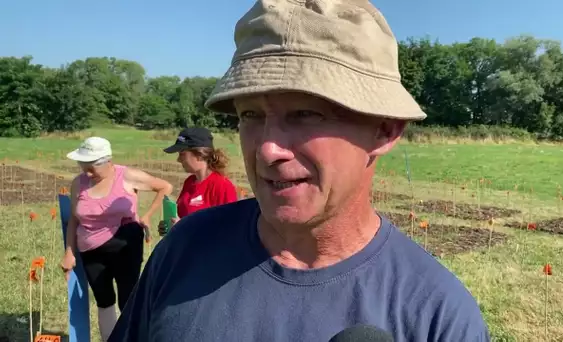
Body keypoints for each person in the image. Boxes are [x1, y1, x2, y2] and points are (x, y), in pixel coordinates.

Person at [109, 1, 491, 341]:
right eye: (250, 115)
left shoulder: (436, 316)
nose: (268, 149)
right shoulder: (183, 251)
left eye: (306, 114)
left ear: (385, 129)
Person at [60, 136, 173, 342]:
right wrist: (69, 252)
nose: (87, 173)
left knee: (128, 299)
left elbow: (165, 187)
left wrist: (147, 215)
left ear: (108, 162)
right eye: (83, 166)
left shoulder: (127, 176)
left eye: (92, 168)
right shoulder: (79, 183)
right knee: (103, 299)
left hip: (125, 243)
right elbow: (75, 220)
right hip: (90, 248)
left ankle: (133, 337)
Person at [157, 127, 238, 236]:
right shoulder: (189, 182)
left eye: (182, 153)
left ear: (199, 155)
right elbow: (181, 218)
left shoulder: (222, 186)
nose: (178, 159)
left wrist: (185, 227)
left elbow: (231, 230)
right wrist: (169, 226)